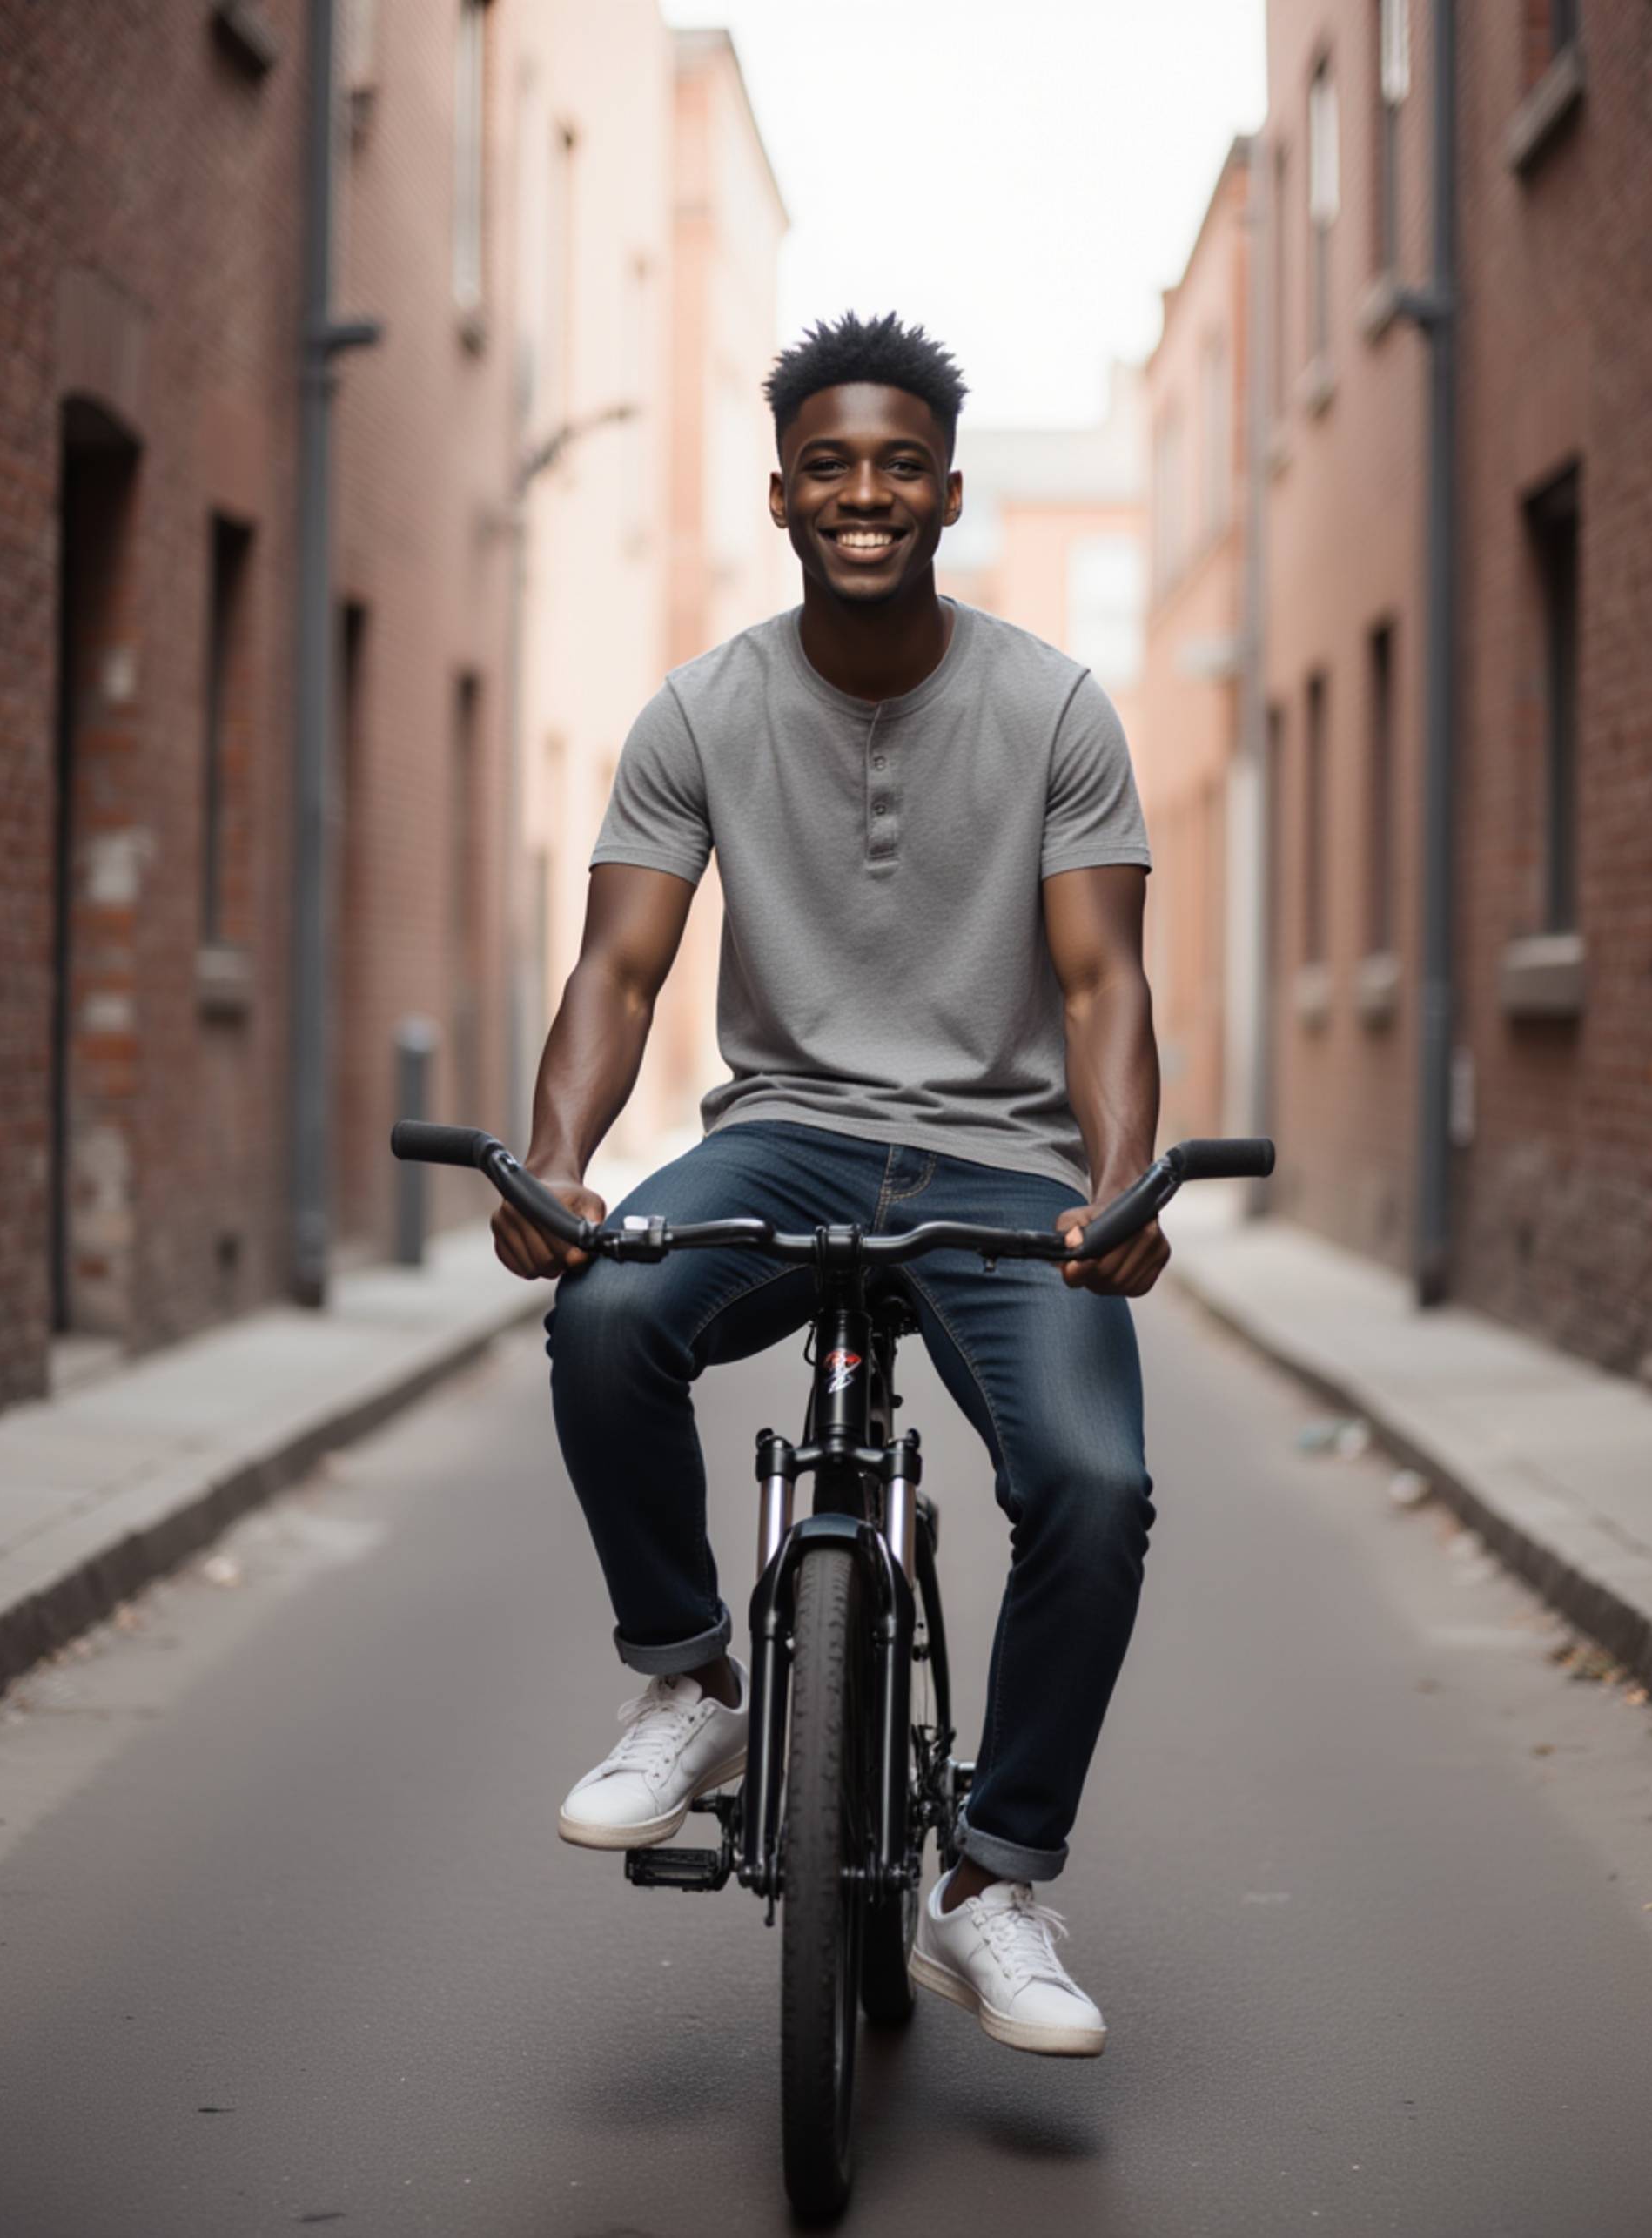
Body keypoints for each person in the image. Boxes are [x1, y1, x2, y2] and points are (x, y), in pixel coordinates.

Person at [491, 311, 1165, 2060]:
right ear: (780, 492)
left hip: (1006, 1157)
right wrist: (556, 1164)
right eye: (826, 463)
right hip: (781, 1125)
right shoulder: (702, 708)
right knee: (610, 1309)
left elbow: (1102, 981)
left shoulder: (1053, 706)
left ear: (947, 489)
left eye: (897, 463)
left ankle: (992, 1877)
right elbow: (618, 970)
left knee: (1094, 1484)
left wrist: (1117, 1184)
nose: (862, 490)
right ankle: (693, 1678)